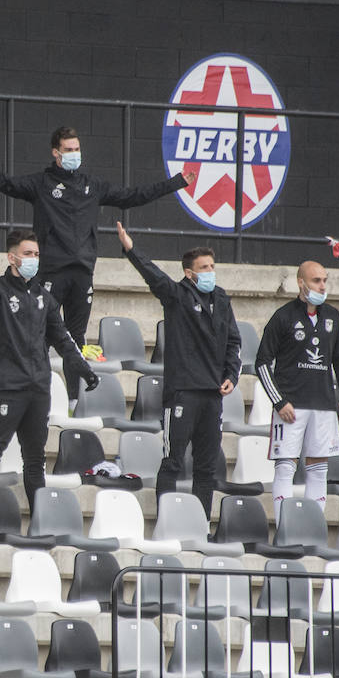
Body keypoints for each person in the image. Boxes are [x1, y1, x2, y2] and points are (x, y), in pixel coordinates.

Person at [0, 129, 192, 404]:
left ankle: (72, 402)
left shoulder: (92, 185)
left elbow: (133, 196)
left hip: (82, 274)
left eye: (77, 149)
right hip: (51, 272)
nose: (74, 155)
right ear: (56, 153)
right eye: (68, 150)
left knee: (75, 339)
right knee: (38, 334)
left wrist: (176, 183)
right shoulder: (41, 183)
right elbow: (6, 185)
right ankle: (34, 395)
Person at [0, 230, 100, 510]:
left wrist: (84, 370)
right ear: (12, 257)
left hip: (38, 391)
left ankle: (40, 520)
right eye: (27, 254)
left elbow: (63, 339)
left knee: (35, 462)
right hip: (6, 390)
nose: (33, 259)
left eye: (36, 254)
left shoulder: (43, 297)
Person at [116, 221, 241, 517]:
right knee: (173, 461)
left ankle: (199, 524)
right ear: (189, 273)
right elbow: (154, 276)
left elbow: (233, 341)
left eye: (212, 266)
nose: (210, 272)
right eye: (204, 267)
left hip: (213, 395)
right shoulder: (177, 296)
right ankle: (167, 521)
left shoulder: (222, 299)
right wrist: (131, 250)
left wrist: (232, 375)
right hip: (183, 394)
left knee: (206, 467)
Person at [254, 260, 339, 522]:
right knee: (286, 467)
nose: (322, 286)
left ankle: (314, 528)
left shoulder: (333, 316)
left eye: (324, 280)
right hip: (291, 407)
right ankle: (285, 528)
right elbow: (262, 362)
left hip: (323, 405)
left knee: (319, 469)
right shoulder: (283, 316)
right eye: (316, 281)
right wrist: (279, 401)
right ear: (301, 283)